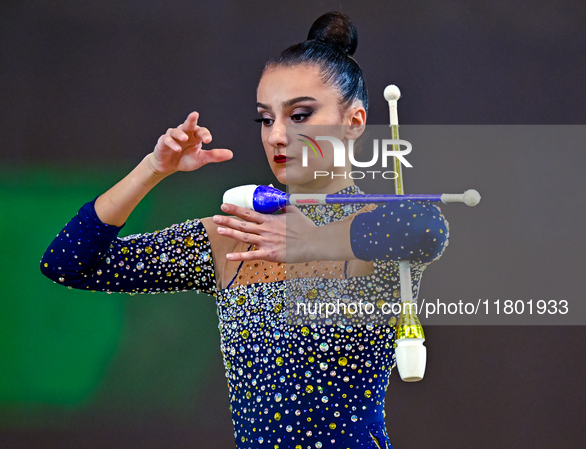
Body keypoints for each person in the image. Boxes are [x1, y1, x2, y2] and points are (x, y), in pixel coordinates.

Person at [41, 12, 448, 449]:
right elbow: (68, 263)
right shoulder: (238, 231)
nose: (277, 135)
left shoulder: (379, 224)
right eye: (266, 119)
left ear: (354, 122)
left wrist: (311, 240)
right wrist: (153, 169)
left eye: (300, 115)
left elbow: (427, 227)